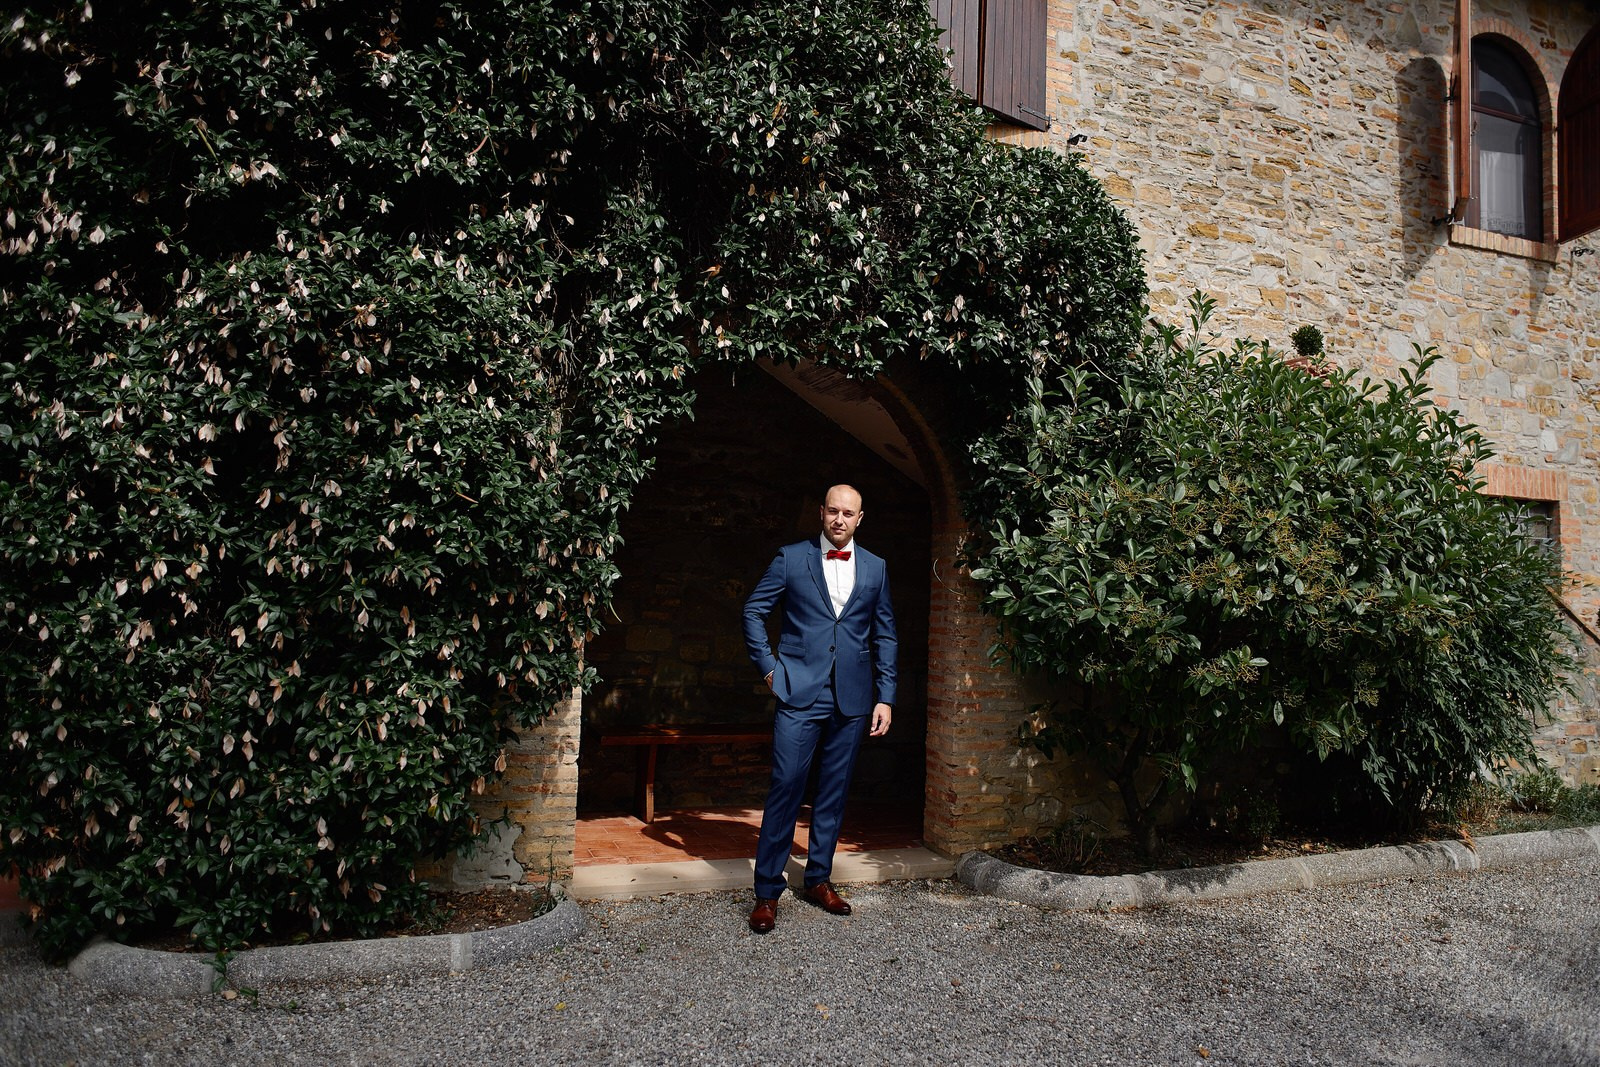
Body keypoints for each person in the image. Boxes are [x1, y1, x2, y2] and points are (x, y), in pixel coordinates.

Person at [740, 484, 897, 933]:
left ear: (860, 518)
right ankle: (767, 893)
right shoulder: (791, 558)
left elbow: (884, 634)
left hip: (852, 697)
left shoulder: (876, 568)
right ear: (821, 513)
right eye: (833, 511)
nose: (840, 520)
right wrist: (770, 670)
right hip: (798, 692)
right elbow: (753, 612)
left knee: (833, 791)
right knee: (786, 785)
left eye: (849, 513)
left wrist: (885, 695)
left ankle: (818, 880)